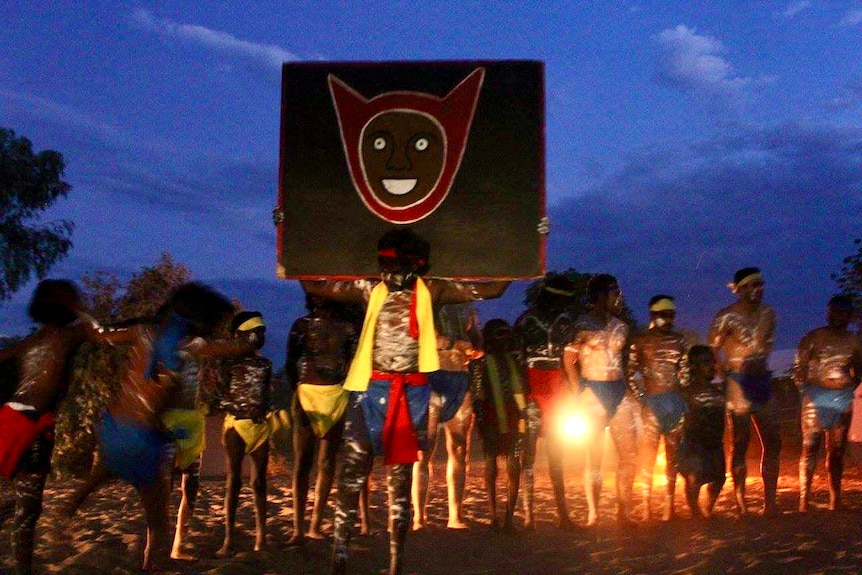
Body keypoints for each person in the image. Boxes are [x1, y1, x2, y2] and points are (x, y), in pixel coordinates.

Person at [302, 228, 508, 575]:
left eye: (396, 264)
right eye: (385, 264)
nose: (390, 273)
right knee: (350, 478)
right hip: (369, 391)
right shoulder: (369, 288)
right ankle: (340, 559)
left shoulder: (433, 289)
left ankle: (395, 564)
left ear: (417, 266)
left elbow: (495, 289)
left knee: (398, 483)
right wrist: (292, 240)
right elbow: (314, 286)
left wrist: (528, 253)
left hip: (410, 394)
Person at [61, 283, 250, 571]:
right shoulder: (189, 345)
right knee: (158, 522)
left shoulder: (141, 331)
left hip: (113, 428)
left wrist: (79, 312)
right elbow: (238, 347)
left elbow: (99, 334)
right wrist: (250, 336)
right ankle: (151, 567)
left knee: (109, 467)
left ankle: (73, 501)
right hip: (143, 439)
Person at [0, 280, 116, 575]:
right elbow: (102, 335)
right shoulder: (66, 335)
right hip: (32, 425)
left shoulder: (30, 342)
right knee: (27, 509)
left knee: (11, 500)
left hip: (8, 419)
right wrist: (83, 311)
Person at [285, 296, 361, 546]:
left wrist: (298, 386)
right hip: (326, 392)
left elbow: (289, 364)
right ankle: (307, 527)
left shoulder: (303, 325)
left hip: (314, 391)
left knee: (308, 463)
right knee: (320, 462)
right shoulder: (343, 327)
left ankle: (304, 527)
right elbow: (354, 364)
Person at [563, 274, 637, 527]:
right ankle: (593, 514)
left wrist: (630, 392)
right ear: (600, 296)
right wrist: (577, 391)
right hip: (592, 393)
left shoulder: (622, 326)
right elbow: (568, 360)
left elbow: (624, 362)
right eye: (614, 293)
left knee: (629, 455)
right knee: (594, 457)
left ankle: (623, 512)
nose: (619, 298)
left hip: (618, 389)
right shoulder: (582, 325)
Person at [708, 267, 780, 516]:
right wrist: (724, 374)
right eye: (752, 285)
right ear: (738, 289)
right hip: (737, 383)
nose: (758, 289)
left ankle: (770, 503)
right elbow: (712, 350)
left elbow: (767, 343)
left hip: (761, 380)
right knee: (740, 443)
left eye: (760, 284)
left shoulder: (769, 313)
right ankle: (741, 504)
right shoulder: (726, 316)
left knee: (773, 441)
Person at [513, 273, 578, 529]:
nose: (561, 306)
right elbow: (518, 358)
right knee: (528, 454)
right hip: (532, 383)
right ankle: (529, 516)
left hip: (557, 385)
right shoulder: (526, 320)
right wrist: (522, 394)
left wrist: (572, 389)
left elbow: (568, 359)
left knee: (557, 452)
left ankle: (563, 514)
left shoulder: (565, 322)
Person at [412, 303, 478, 531]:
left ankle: (455, 516)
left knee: (460, 449)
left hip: (459, 378)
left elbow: (477, 343)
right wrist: (455, 345)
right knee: (424, 449)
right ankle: (419, 517)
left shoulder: (466, 306)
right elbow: (422, 339)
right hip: (432, 377)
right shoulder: (429, 300)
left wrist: (471, 348)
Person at [793, 295, 862, 512]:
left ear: (850, 316)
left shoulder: (854, 341)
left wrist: (848, 387)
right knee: (810, 447)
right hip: (815, 397)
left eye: (842, 313)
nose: (837, 317)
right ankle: (804, 500)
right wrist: (807, 392)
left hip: (841, 399)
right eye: (833, 312)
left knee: (837, 451)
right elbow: (799, 369)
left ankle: (835, 499)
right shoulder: (813, 337)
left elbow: (859, 370)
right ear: (828, 313)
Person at [626, 295, 689, 522]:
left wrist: (682, 398)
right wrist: (642, 398)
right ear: (653, 315)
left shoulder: (679, 341)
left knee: (672, 458)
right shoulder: (640, 341)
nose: (669, 318)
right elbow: (630, 372)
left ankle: (668, 508)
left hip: (673, 403)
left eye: (672, 314)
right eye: (664, 314)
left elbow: (685, 373)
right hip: (653, 404)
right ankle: (646, 508)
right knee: (648, 457)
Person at [217, 311, 274, 556]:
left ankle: (261, 538)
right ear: (242, 335)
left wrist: (263, 408)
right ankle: (229, 539)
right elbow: (220, 398)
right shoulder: (227, 364)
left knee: (259, 482)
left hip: (259, 427)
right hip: (236, 427)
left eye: (262, 332)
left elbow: (266, 395)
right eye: (256, 332)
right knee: (234, 481)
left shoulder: (265, 365)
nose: (260, 336)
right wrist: (242, 408)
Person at [469, 319, 532, 530]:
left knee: (514, 466)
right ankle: (494, 517)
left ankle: (507, 518)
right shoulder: (480, 363)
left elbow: (522, 390)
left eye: (506, 334)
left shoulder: (514, 362)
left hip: (512, 416)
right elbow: (478, 396)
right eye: (500, 334)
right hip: (491, 416)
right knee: (492, 465)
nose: (504, 338)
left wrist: (523, 415)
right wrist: (480, 421)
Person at [677, 346, 726, 519]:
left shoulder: (718, 393)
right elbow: (680, 423)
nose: (712, 366)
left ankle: (708, 508)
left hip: (714, 445)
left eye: (713, 362)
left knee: (720, 478)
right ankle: (695, 511)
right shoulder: (686, 393)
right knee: (695, 476)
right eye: (706, 363)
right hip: (693, 445)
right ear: (693, 367)